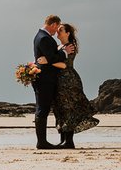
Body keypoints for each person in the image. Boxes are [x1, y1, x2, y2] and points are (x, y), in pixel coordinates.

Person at [50, 23, 99, 148]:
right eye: (58, 30)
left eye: (61, 30)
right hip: (58, 81)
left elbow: (65, 65)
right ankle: (63, 140)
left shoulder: (70, 46)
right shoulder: (58, 46)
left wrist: (48, 63)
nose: (58, 32)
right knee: (60, 108)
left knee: (69, 109)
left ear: (67, 33)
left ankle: (69, 141)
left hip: (69, 81)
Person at [31, 15, 71, 150]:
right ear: (53, 24)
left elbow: (48, 58)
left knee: (44, 108)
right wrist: (64, 52)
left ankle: (43, 141)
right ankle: (41, 142)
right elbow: (52, 58)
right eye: (56, 28)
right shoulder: (44, 38)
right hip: (45, 79)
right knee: (43, 109)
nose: (56, 32)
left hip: (44, 77)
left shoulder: (40, 36)